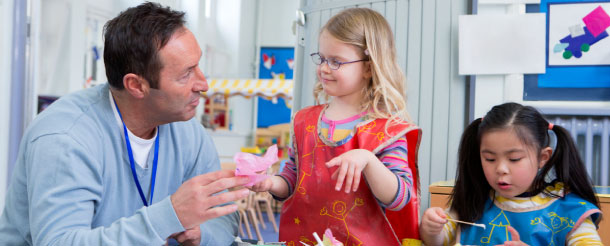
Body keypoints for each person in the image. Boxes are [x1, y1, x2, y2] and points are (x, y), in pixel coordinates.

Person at [0, 3, 250, 245]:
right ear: (136, 85)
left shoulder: (188, 131)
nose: (203, 84)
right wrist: (167, 217)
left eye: (198, 66)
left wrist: (201, 235)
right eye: (186, 74)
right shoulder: (65, 138)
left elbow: (223, 216)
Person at [250, 8, 421, 245]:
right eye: (321, 58)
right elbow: (292, 180)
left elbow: (399, 197)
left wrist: (368, 161)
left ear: (369, 67)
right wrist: (271, 183)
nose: (323, 68)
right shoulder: (303, 122)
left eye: (336, 61)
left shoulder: (387, 130)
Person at [420, 102, 602, 246]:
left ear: (542, 157)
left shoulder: (569, 210)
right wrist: (432, 230)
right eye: (490, 159)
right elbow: (439, 241)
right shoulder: (474, 200)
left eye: (514, 159)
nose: (501, 169)